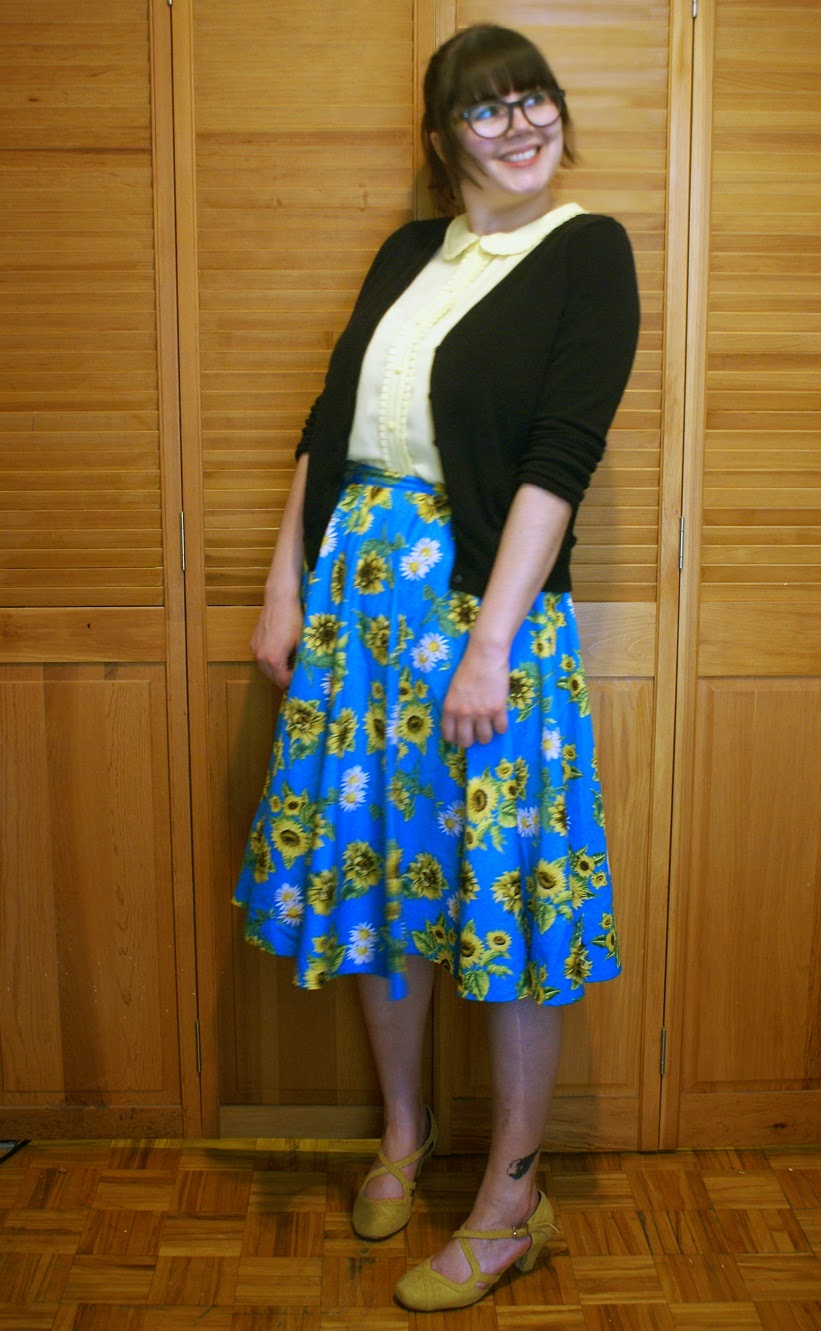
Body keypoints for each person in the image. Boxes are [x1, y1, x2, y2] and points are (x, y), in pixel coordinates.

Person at [234, 22, 639, 1312]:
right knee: (383, 878)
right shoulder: (409, 253)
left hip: (484, 616)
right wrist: (283, 585)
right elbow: (328, 423)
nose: (523, 125)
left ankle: (513, 1200)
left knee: (509, 897)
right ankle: (403, 1139)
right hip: (357, 617)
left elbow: (560, 458)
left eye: (537, 100)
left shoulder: (588, 251)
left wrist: (489, 648)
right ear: (442, 136)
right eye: (488, 109)